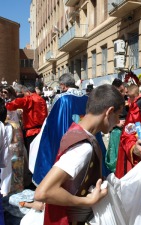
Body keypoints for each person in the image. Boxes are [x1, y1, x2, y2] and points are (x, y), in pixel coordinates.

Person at [34, 84, 125, 225]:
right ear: (109, 112)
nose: (119, 121)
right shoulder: (83, 148)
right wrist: (86, 201)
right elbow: (43, 192)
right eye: (118, 115)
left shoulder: (79, 131)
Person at [32, 73, 109, 186]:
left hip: (68, 138)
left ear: (63, 86)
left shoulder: (61, 99)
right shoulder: (86, 98)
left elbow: (53, 123)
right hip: (86, 137)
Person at [5, 85, 48, 155]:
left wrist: (5, 105)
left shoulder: (29, 99)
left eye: (23, 94)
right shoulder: (41, 99)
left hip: (32, 132)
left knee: (32, 155)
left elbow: (12, 105)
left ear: (27, 92)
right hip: (42, 130)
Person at [105, 79, 128, 173]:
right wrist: (117, 123)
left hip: (125, 132)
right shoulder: (110, 102)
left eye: (123, 91)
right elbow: (106, 118)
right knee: (116, 157)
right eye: (121, 91)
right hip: (116, 133)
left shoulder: (124, 101)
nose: (123, 94)